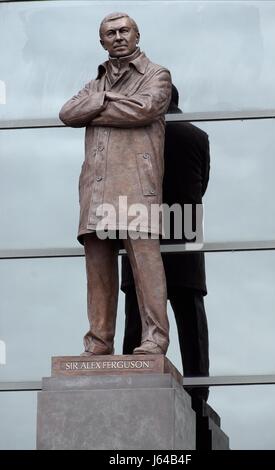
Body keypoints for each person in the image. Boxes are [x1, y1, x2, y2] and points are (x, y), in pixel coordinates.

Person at [59, 12, 172, 356]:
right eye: (111, 33)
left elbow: (145, 109)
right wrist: (103, 98)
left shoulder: (157, 75)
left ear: (137, 35)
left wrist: (97, 107)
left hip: (136, 186)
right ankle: (99, 340)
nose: (118, 36)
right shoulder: (96, 83)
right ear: (102, 42)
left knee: (146, 266)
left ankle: (155, 338)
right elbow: (67, 114)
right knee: (98, 267)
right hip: (96, 188)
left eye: (125, 30)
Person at [121, 85, 210, 401]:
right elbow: (201, 188)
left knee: (137, 312)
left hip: (143, 229)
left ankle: (132, 377)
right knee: (190, 315)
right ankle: (200, 391)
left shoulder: (137, 133)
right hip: (183, 232)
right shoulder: (197, 136)